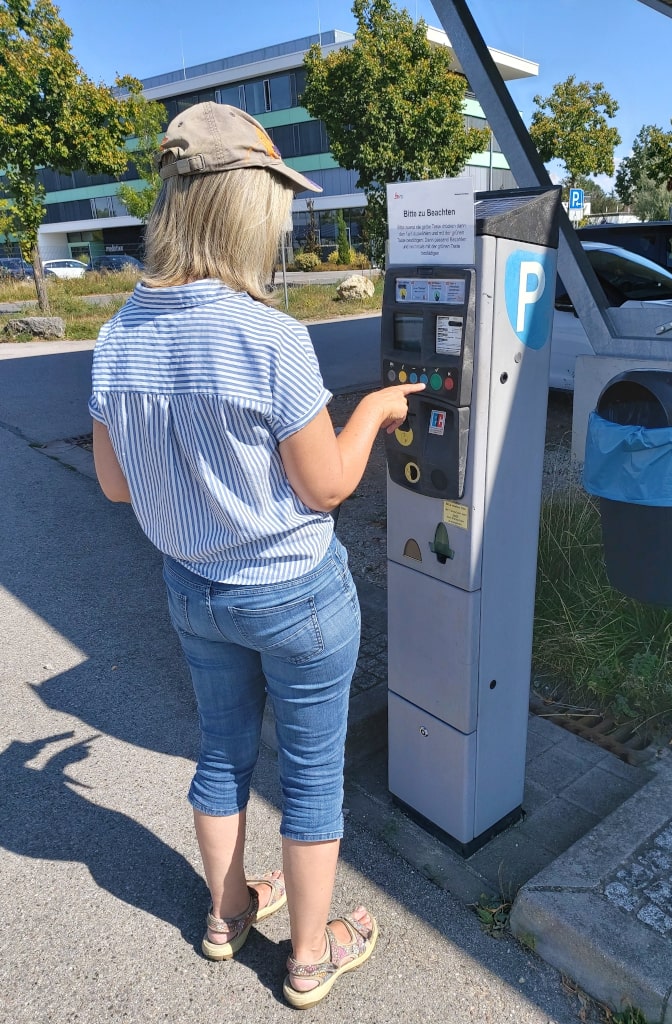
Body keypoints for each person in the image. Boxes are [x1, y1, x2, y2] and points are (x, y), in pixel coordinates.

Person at [89, 101, 424, 1009]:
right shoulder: (269, 335)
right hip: (296, 594)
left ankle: (227, 913)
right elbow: (325, 487)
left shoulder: (118, 336)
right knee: (311, 775)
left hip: (193, 589)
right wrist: (374, 414)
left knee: (224, 753)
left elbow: (118, 486)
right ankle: (310, 958)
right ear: (249, 209)